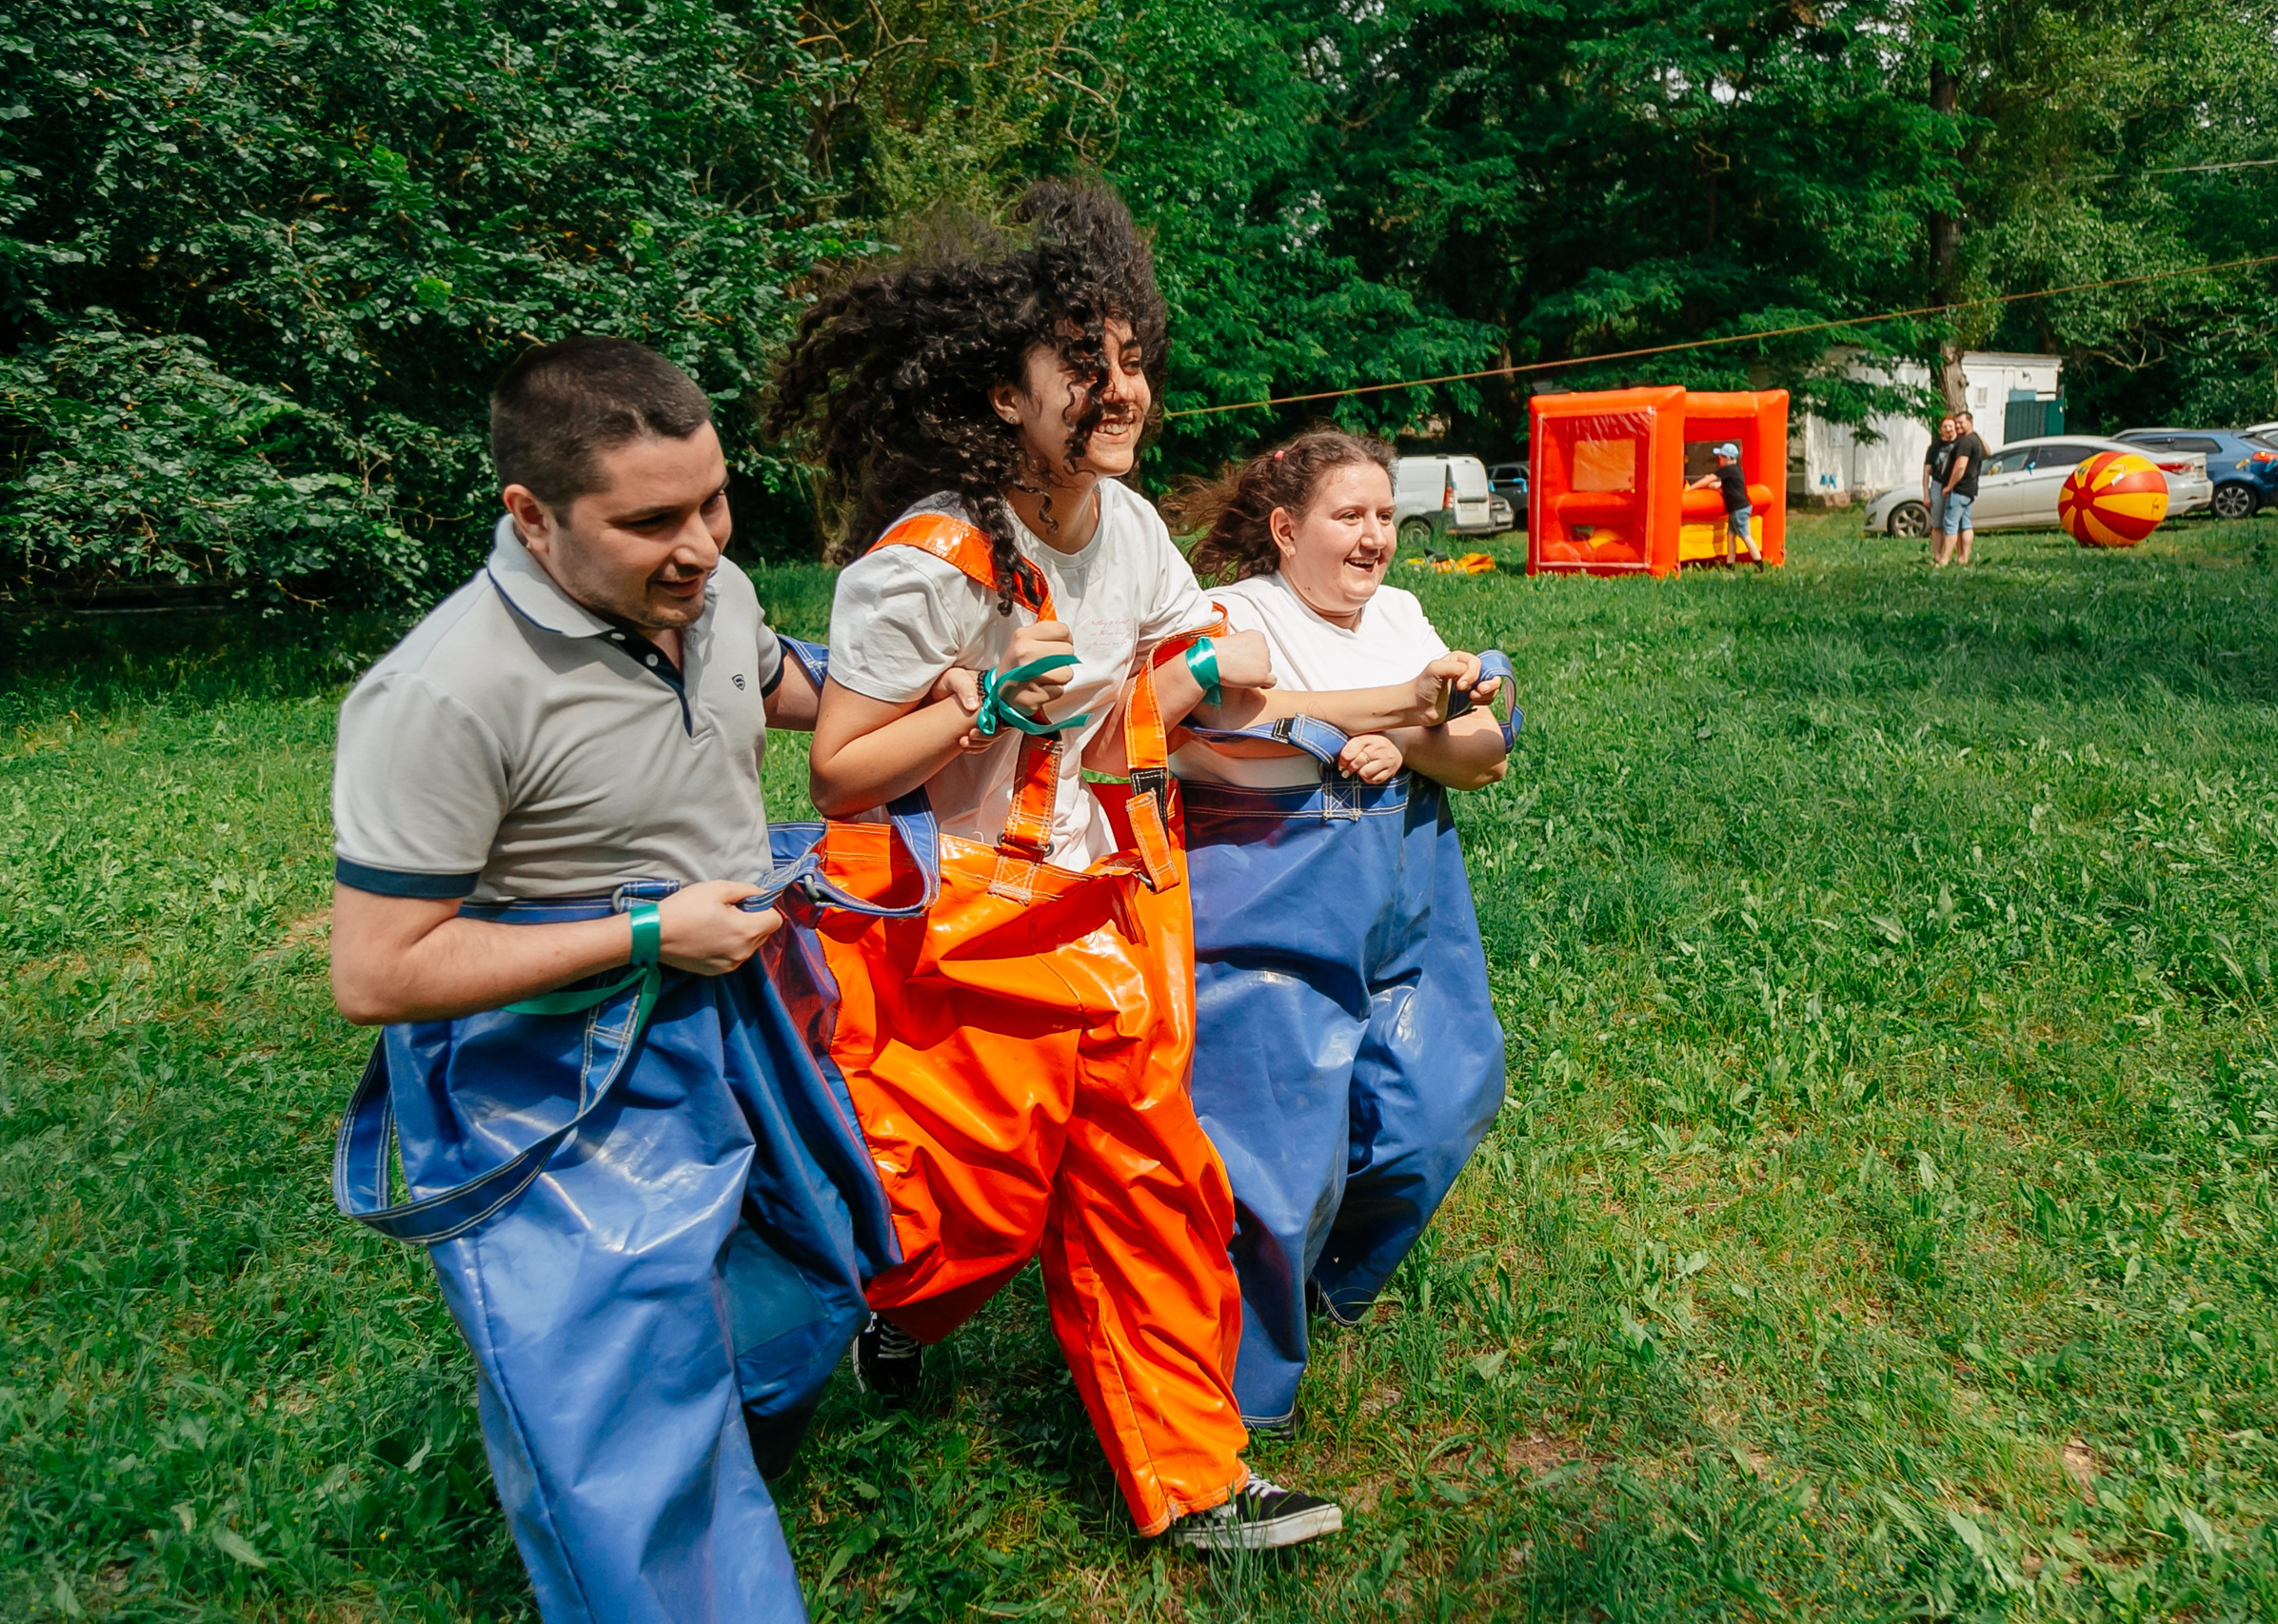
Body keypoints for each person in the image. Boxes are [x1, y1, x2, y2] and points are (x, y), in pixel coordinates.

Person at [762, 182, 1487, 1551]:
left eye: (1132, 357)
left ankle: (1196, 1480)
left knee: (1154, 1186)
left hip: (1126, 908)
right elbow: (842, 768)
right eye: (1080, 362)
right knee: (971, 1207)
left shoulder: (1136, 526)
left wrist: (1230, 671)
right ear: (997, 393)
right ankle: (864, 1317)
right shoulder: (926, 559)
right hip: (980, 932)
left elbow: (1196, 675)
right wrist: (983, 702)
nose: (1120, 388)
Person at [326, 337, 903, 1624]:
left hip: (738, 1008)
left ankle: (701, 1485)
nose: (699, 544)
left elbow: (782, 686)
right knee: (623, 1427)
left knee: (805, 1289)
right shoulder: (443, 693)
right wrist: (644, 938)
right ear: (530, 517)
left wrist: (944, 691)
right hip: (552, 1076)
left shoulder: (714, 589)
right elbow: (376, 970)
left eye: (713, 499)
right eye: (650, 520)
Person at [1162, 428, 1515, 1438]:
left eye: (1380, 516)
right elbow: (1225, 723)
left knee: (1443, 1095)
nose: (1374, 538)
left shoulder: (1402, 614)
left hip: (1409, 882)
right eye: (1346, 516)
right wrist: (1405, 715)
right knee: (1276, 1150)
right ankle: (1233, 1403)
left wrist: (1397, 736)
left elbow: (1485, 750)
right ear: (1284, 528)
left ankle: (1326, 1282)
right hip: (1276, 889)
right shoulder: (1238, 612)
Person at [1688, 441, 1757, 565]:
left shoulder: (1727, 469)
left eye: (1720, 457)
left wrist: (1690, 489)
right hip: (1738, 508)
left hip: (1738, 509)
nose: (1719, 459)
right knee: (1730, 535)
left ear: (1727, 458)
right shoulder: (1737, 470)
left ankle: (1759, 562)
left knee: (1745, 536)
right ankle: (1730, 564)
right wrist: (1716, 486)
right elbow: (1729, 485)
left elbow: (1709, 479)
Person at [1936, 409, 1985, 567]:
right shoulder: (1976, 440)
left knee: (1950, 524)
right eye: (1956, 423)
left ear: (1970, 422)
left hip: (1959, 489)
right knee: (1965, 524)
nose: (1957, 426)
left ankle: (1944, 560)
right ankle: (1963, 559)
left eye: (1960, 423)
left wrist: (1949, 486)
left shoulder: (1965, 442)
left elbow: (1960, 467)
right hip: (1970, 489)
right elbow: (1989, 452)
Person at [1924, 414, 1955, 556]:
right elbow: (1926, 471)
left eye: (1950, 426)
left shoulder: (1961, 443)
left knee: (1953, 524)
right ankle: (1937, 555)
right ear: (1941, 429)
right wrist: (1926, 494)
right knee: (1937, 524)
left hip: (1957, 487)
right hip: (1938, 485)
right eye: (1945, 426)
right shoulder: (1935, 446)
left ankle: (1950, 555)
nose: (1948, 429)